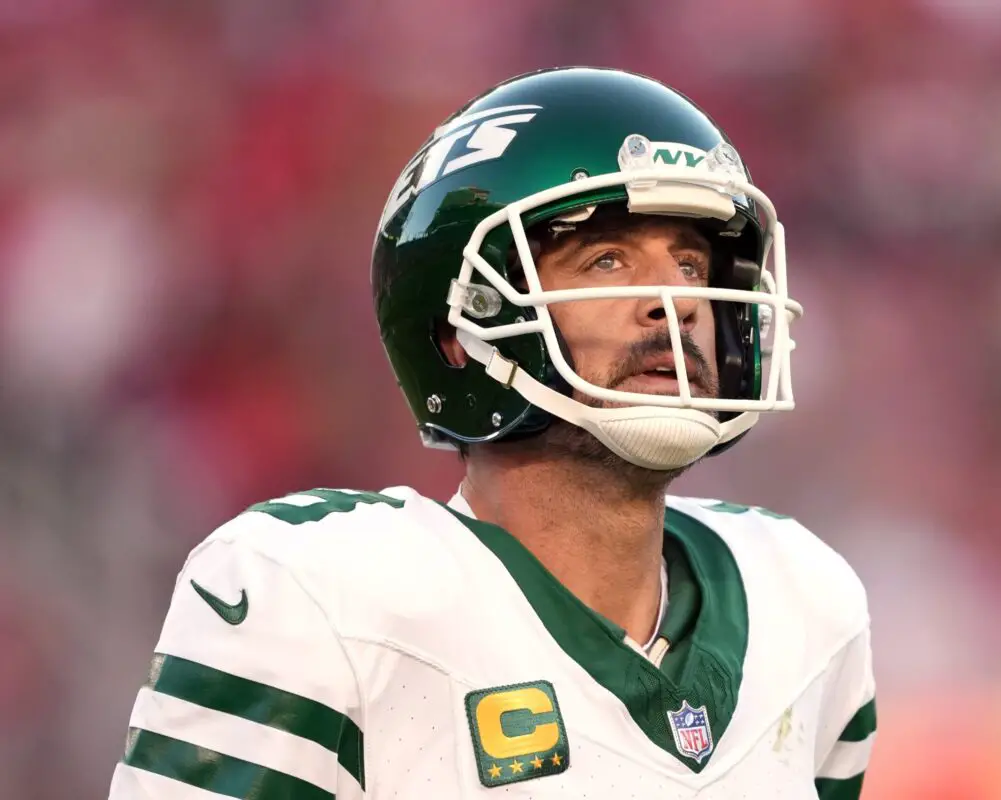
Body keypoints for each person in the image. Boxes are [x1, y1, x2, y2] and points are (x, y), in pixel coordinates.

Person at [108, 66, 876, 799]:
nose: (674, 301)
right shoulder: (320, 594)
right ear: (458, 332)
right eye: (607, 259)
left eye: (688, 260)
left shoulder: (804, 606)